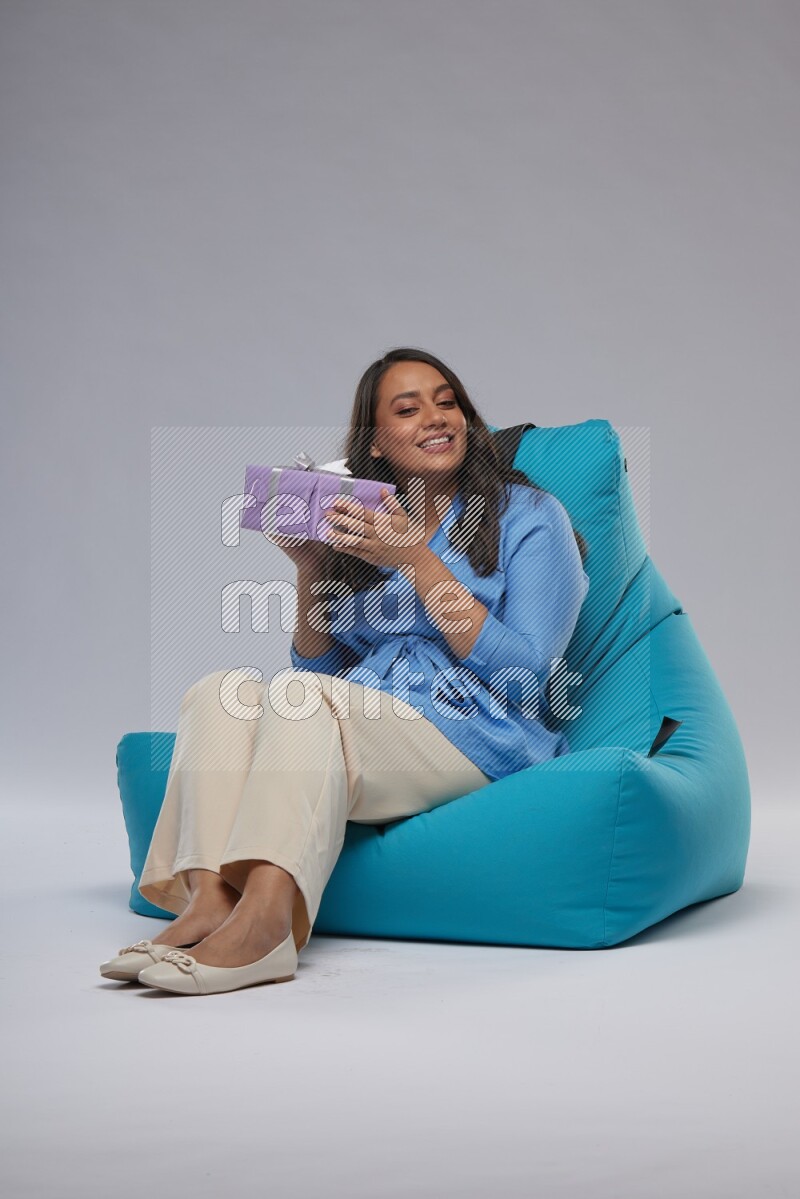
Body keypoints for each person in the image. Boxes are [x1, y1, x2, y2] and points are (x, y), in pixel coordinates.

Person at [99, 347, 590, 995]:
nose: (436, 418)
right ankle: (210, 900)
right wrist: (309, 568)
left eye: (448, 402)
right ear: (376, 442)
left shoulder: (530, 516)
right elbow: (322, 663)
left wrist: (417, 559)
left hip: (480, 732)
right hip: (373, 720)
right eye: (407, 409)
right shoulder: (367, 522)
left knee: (302, 697)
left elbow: (528, 666)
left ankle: (267, 927)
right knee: (222, 690)